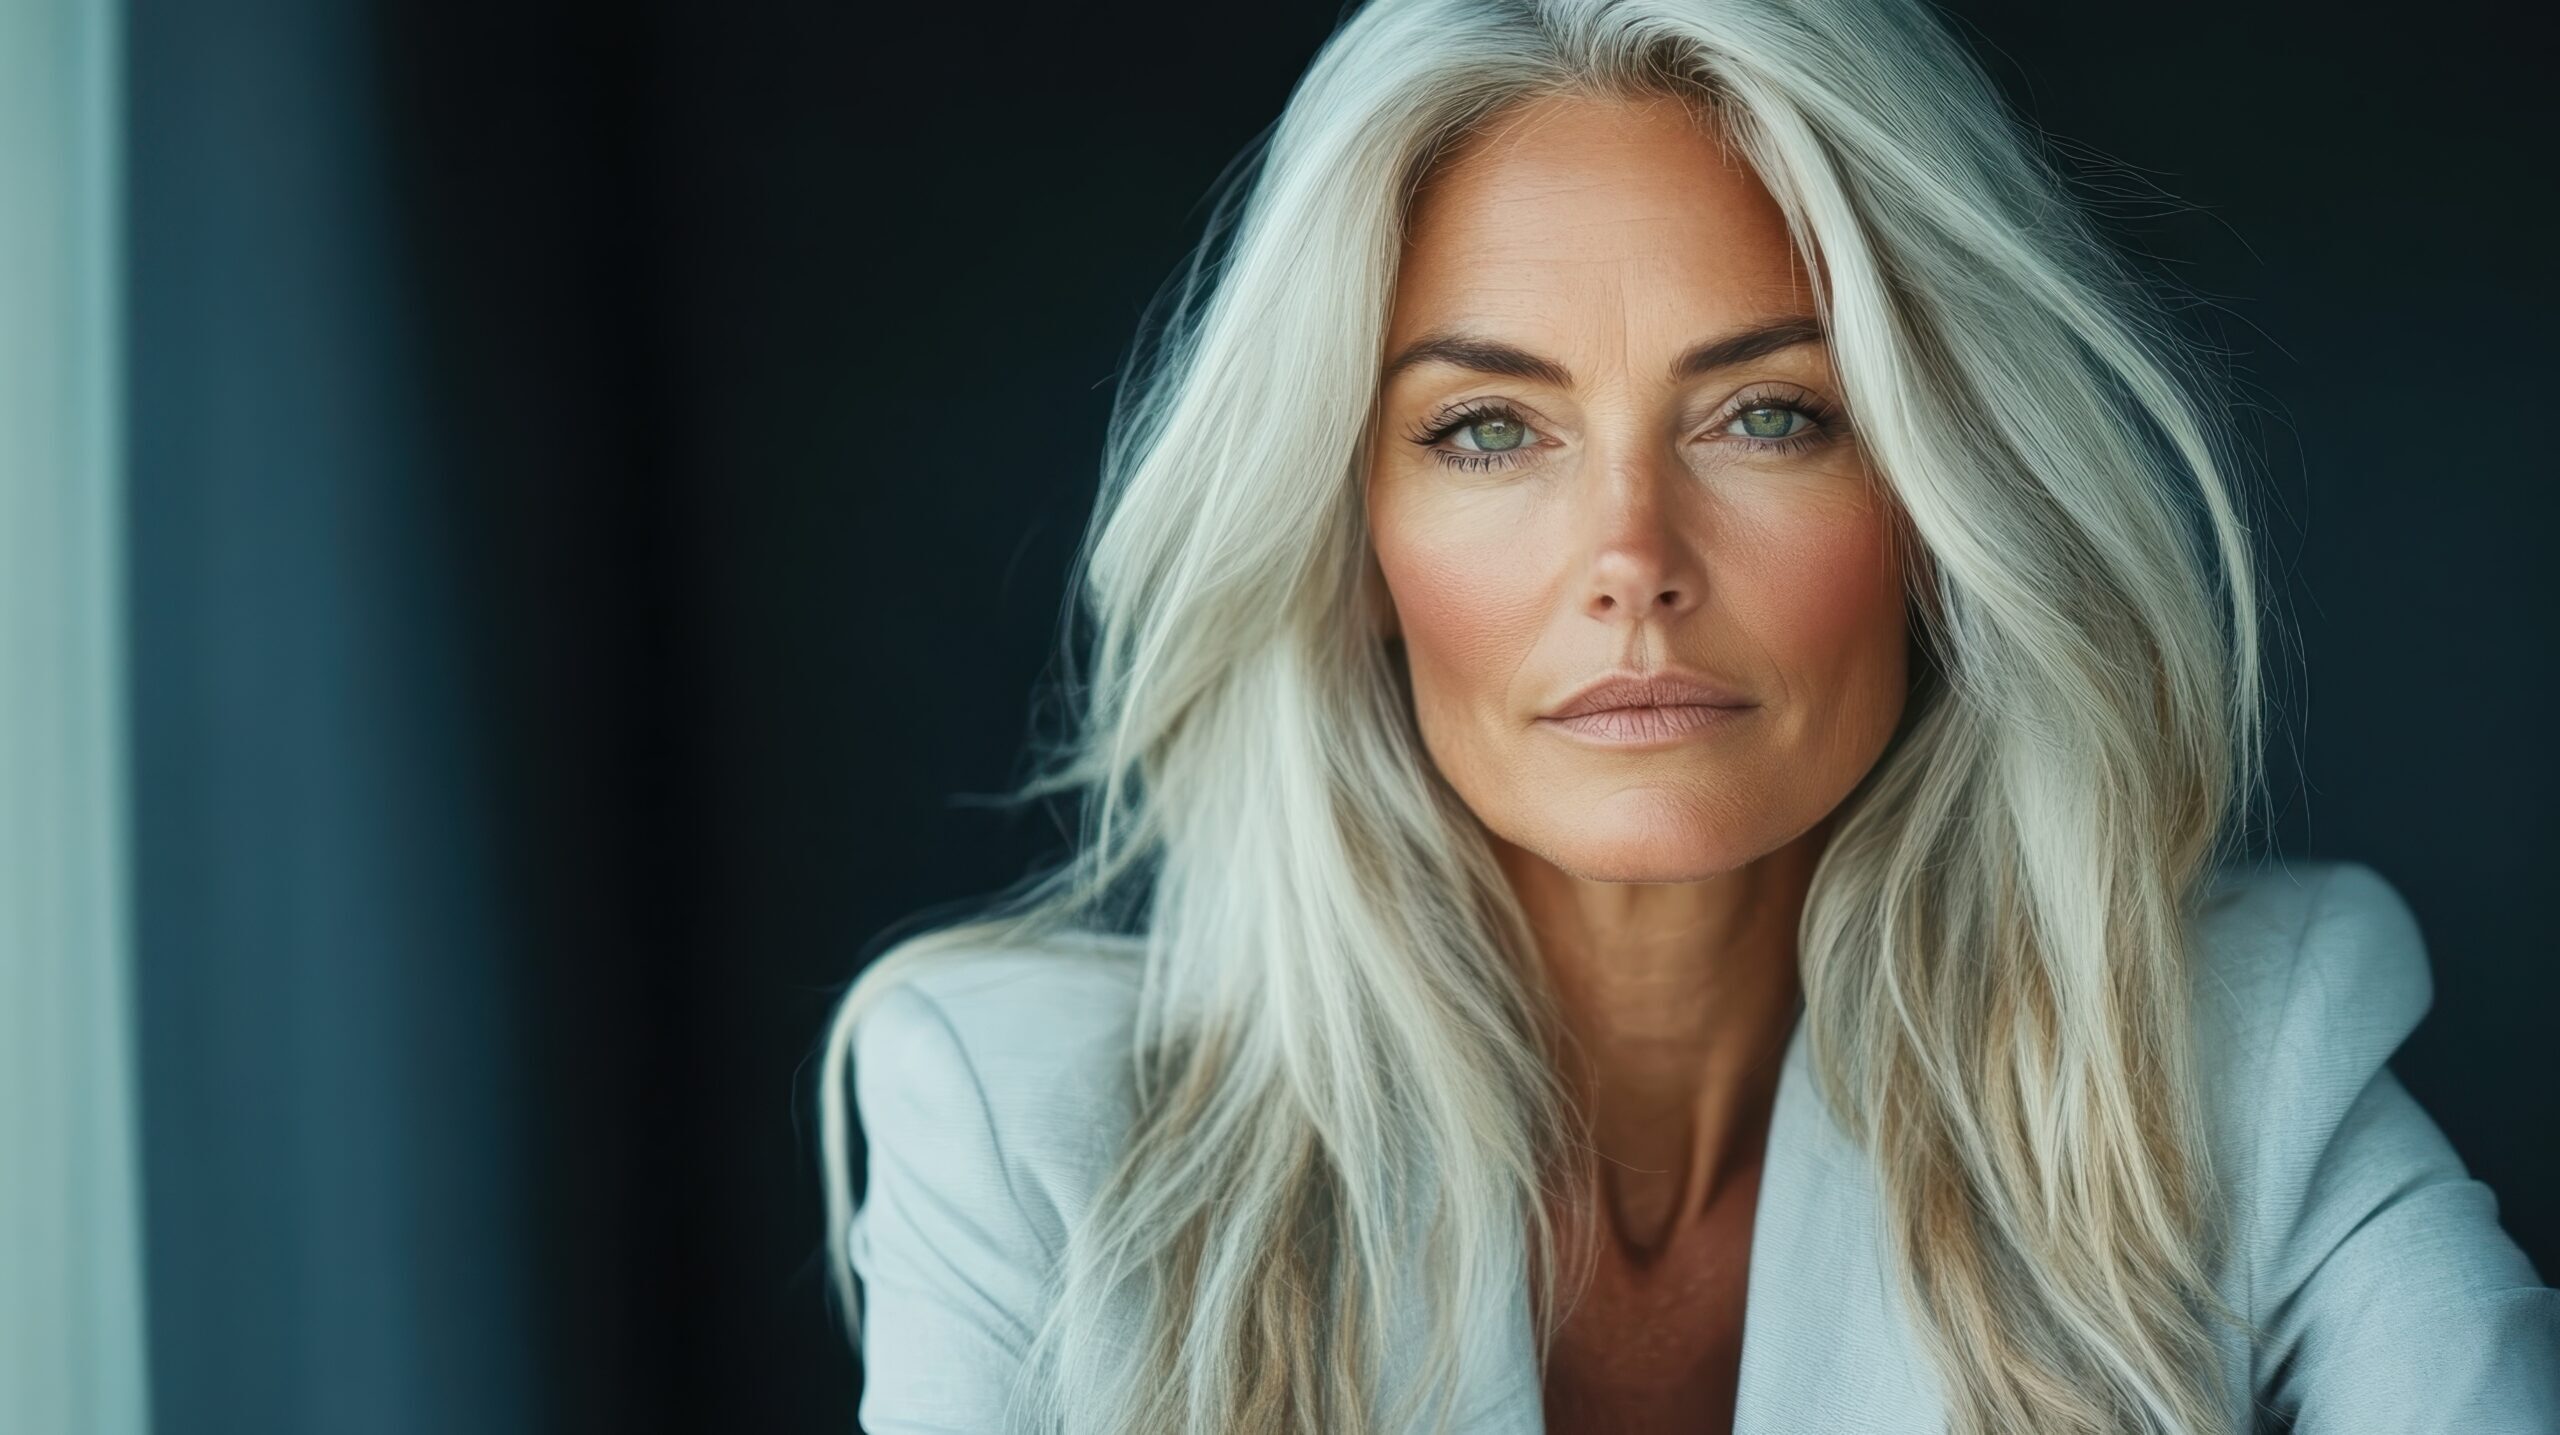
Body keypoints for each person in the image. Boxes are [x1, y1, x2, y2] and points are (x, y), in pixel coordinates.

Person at [814, 1, 2560, 1431]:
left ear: (1943, 512)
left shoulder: (2235, 1063)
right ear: (1350, 539)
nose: (1632, 559)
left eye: (1770, 415)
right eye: (1488, 429)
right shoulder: (1025, 1124)